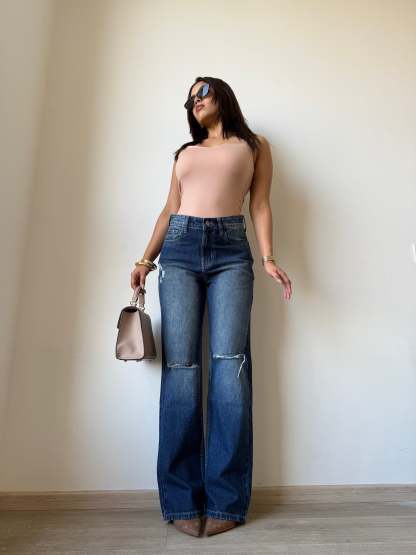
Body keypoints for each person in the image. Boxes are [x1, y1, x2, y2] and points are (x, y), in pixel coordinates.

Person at [130, 76, 292, 538]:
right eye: (190, 98)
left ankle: (226, 500)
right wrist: (145, 260)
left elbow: (259, 205)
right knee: (181, 369)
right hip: (179, 250)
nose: (195, 101)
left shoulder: (254, 145)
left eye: (202, 92)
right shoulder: (185, 153)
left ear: (222, 94)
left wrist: (269, 258)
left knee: (230, 368)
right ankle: (181, 500)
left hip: (230, 251)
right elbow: (169, 209)